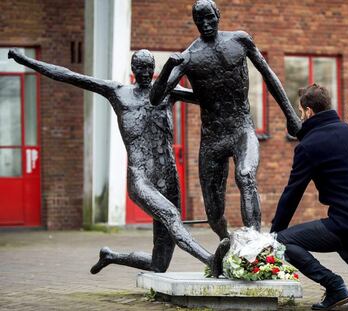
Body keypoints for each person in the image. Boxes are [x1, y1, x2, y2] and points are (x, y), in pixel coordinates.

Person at [8, 48, 229, 277]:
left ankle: (110, 256)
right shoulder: (118, 92)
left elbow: (207, 97)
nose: (145, 72)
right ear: (132, 69)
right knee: (171, 215)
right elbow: (67, 75)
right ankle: (211, 260)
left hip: (168, 176)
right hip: (141, 176)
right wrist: (25, 60)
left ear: (154, 70)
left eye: (149, 67)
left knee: (159, 263)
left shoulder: (167, 91)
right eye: (140, 67)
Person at [151, 0, 301, 240]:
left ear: (218, 15)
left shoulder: (239, 40)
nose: (206, 23)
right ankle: (226, 243)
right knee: (213, 212)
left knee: (245, 175)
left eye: (209, 17)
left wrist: (290, 114)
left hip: (242, 127)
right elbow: (156, 97)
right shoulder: (189, 57)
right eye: (200, 20)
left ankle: (254, 245)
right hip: (212, 138)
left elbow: (268, 75)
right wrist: (169, 66)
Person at [270, 84, 348, 310]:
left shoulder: (308, 145)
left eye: (300, 111)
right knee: (340, 229)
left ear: (308, 111)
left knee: (283, 242)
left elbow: (292, 194)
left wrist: (273, 234)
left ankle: (334, 286)